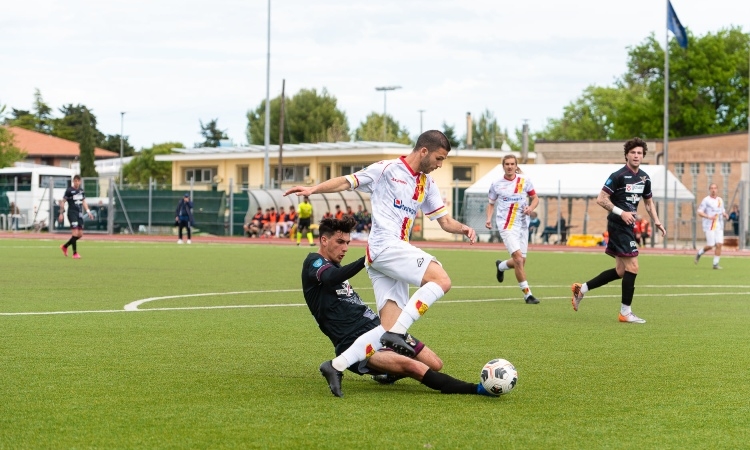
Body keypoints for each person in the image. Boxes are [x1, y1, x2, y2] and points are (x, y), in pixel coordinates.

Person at [286, 130, 477, 357]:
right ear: (424, 151)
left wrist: (462, 228)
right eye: (439, 159)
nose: (440, 165)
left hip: (390, 256)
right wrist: (313, 190)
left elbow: (444, 221)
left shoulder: (427, 184)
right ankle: (397, 335)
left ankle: (350, 364)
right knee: (441, 280)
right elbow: (347, 182)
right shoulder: (386, 169)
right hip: (385, 246)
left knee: (387, 329)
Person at [303, 215, 493, 398]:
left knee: (435, 363)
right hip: (353, 342)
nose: (344, 248)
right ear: (324, 240)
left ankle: (387, 374)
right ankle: (476, 389)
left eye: (347, 243)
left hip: (381, 329)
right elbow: (330, 279)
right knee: (413, 367)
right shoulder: (314, 262)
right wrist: (367, 258)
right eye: (339, 242)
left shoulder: (336, 267)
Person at [570, 137, 666, 324]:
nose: (636, 155)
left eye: (639, 153)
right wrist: (621, 212)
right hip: (617, 224)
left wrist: (656, 221)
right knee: (633, 267)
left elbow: (648, 202)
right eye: (633, 152)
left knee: (622, 270)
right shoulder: (617, 176)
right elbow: (601, 199)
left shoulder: (645, 178)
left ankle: (581, 289)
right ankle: (625, 313)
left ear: (643, 155)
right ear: (627, 155)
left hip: (627, 227)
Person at [485, 154, 540, 304]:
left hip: (522, 224)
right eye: (507, 164)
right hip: (506, 224)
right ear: (503, 166)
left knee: (521, 261)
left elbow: (535, 198)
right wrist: (488, 219)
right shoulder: (496, 183)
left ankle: (501, 266)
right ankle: (527, 294)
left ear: (516, 166)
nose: (509, 166)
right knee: (518, 259)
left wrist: (531, 207)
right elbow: (491, 203)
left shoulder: (524, 180)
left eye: (512, 164)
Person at [59, 175, 94, 259]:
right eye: (75, 181)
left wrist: (88, 212)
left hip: (79, 214)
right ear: (73, 181)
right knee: (75, 233)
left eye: (78, 181)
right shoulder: (69, 190)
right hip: (72, 213)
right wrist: (61, 213)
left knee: (80, 234)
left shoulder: (81, 191)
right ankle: (75, 253)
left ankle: (65, 246)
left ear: (80, 182)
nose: (77, 182)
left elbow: (84, 202)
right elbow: (63, 202)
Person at [694, 183, 729, 269]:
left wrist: (725, 214)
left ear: (717, 190)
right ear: (709, 190)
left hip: (719, 225)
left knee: (719, 244)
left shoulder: (720, 200)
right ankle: (699, 253)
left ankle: (715, 264)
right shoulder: (706, 200)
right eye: (712, 188)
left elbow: (722, 210)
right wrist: (708, 216)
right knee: (711, 245)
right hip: (709, 226)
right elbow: (699, 212)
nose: (713, 190)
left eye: (715, 188)